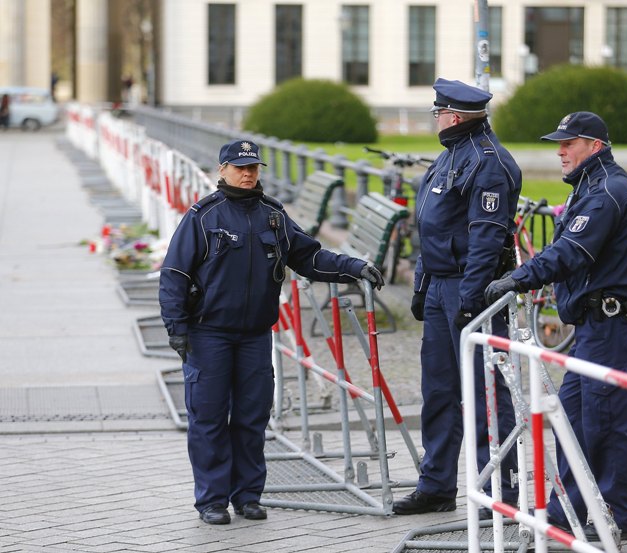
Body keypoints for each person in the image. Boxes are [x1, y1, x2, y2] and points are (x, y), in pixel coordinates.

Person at [159, 139, 384, 525]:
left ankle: (247, 495)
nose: (248, 174)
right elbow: (174, 274)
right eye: (239, 167)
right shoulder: (202, 216)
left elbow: (309, 256)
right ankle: (212, 500)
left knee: (251, 417)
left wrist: (353, 266)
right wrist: (176, 328)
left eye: (253, 167)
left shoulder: (273, 216)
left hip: (254, 336)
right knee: (209, 417)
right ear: (222, 170)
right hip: (208, 333)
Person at [485, 111, 627, 541]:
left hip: (609, 323)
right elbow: (567, 251)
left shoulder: (605, 192)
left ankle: (620, 517)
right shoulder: (596, 187)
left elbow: (569, 253)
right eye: (559, 142)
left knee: (603, 418)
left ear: (595, 146)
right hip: (596, 323)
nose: (560, 150)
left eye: (569, 142)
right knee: (575, 417)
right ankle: (571, 511)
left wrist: (517, 279)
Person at [392, 78, 521, 517]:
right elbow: (433, 227)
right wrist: (423, 285)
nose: (436, 119)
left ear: (455, 116)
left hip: (470, 289)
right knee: (440, 392)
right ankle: (437, 485)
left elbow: (485, 239)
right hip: (441, 287)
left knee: (487, 395)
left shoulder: (487, 162)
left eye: (439, 113)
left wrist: (469, 299)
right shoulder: (451, 156)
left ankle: (498, 491)